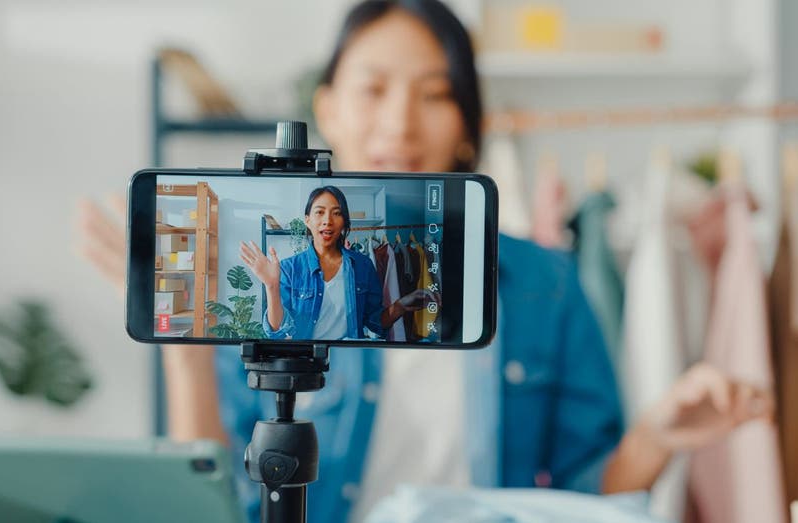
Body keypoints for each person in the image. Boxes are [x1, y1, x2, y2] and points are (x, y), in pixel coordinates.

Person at [77, 1, 774, 522]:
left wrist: (656, 437)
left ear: (469, 123)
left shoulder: (543, 287)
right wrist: (186, 351)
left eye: (435, 93)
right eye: (374, 89)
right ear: (328, 108)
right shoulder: (286, 285)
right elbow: (218, 502)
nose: (401, 122)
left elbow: (577, 501)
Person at [239, 185, 434, 340]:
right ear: (307, 220)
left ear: (344, 222)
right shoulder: (289, 269)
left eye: (336, 213)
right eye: (319, 212)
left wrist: (401, 305)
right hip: (306, 361)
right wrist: (272, 286)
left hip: (349, 362)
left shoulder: (363, 265)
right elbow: (277, 331)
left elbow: (375, 322)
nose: (328, 221)